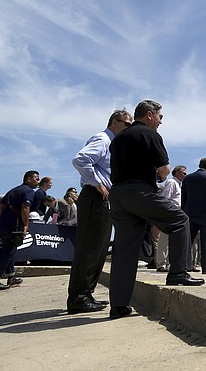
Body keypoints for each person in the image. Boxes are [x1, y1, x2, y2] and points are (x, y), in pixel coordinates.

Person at [108, 100, 203, 320]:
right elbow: (164, 171)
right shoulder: (150, 135)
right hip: (140, 191)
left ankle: (119, 305)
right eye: (160, 117)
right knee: (180, 220)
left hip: (118, 194)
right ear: (149, 115)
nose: (160, 122)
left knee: (124, 251)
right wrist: (158, 176)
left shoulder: (119, 138)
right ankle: (178, 272)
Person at [67, 109, 133, 314]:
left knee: (99, 248)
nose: (129, 128)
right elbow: (80, 160)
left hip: (103, 200)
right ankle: (78, 298)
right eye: (127, 124)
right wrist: (97, 184)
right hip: (94, 198)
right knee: (89, 248)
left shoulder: (112, 143)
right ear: (115, 122)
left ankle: (86, 294)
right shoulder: (103, 139)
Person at [0, 171, 39, 291]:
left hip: (3, 225)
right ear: (28, 179)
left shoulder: (13, 190)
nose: (38, 182)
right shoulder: (29, 191)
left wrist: (3, 220)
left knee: (10, 251)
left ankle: (11, 277)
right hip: (15, 227)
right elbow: (25, 208)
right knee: (7, 254)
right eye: (36, 179)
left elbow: (0, 206)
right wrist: (25, 225)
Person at [153, 165, 186, 272]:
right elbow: (166, 198)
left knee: (171, 240)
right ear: (177, 172)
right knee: (164, 240)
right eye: (184, 173)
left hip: (175, 214)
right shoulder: (172, 182)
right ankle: (161, 264)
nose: (185, 175)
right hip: (169, 214)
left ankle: (167, 263)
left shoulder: (178, 184)